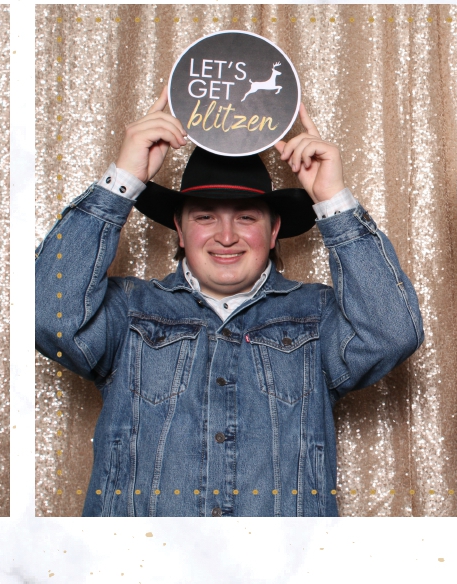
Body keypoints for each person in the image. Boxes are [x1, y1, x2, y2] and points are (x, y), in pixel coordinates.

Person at [36, 96, 424, 515]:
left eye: (246, 218)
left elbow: (392, 333)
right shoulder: (129, 311)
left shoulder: (316, 316)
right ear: (180, 230)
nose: (225, 236)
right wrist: (122, 180)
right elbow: (44, 315)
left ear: (273, 232)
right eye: (205, 217)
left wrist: (333, 201)